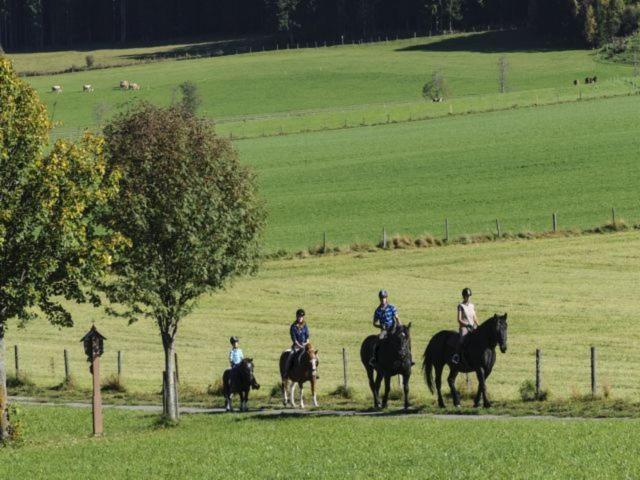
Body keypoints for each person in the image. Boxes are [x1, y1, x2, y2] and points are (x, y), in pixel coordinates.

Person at [369, 289, 401, 367]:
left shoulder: (392, 307)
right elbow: (374, 323)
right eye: (381, 298)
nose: (383, 299)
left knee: (402, 339)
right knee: (379, 339)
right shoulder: (377, 311)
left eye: (384, 298)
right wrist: (380, 326)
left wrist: (400, 327)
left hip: (393, 328)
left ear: (386, 298)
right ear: (379, 299)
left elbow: (397, 318)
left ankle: (407, 359)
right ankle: (375, 359)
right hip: (384, 330)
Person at [451, 287, 478, 365]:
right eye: (467, 296)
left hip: (473, 326)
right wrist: (467, 324)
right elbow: (459, 320)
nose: (468, 297)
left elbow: (475, 318)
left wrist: (478, 326)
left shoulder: (472, 306)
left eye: (469, 296)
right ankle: (456, 356)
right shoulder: (460, 306)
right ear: (464, 296)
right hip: (464, 327)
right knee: (462, 339)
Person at [283, 308, 310, 377]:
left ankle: (313, 373)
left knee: (313, 357)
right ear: (296, 317)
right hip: (296, 347)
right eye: (299, 317)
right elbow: (294, 340)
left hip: (305, 346)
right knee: (290, 356)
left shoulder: (305, 325)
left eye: (301, 317)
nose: (300, 318)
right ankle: (286, 371)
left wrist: (306, 343)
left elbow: (307, 336)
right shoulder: (293, 327)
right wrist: (300, 346)